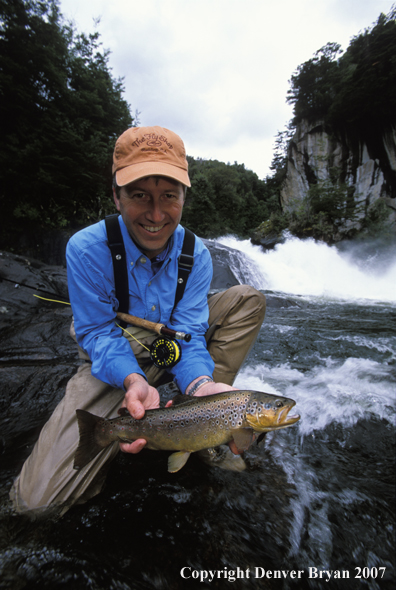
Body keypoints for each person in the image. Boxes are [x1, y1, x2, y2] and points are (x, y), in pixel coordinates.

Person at [10, 126, 266, 515]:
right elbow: (96, 331)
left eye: (169, 196)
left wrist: (199, 382)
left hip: (174, 346)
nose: (156, 213)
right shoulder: (86, 248)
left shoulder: (197, 254)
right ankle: (174, 417)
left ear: (184, 197)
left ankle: (203, 420)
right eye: (139, 195)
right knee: (35, 503)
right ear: (116, 195)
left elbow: (191, 333)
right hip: (115, 357)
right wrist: (133, 380)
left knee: (247, 300)